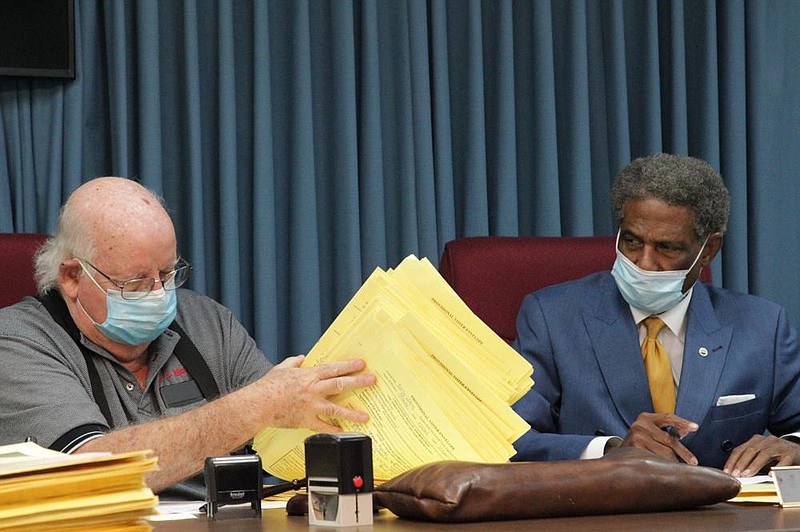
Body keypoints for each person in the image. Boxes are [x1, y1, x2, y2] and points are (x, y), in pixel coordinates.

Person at [0, 177, 375, 498]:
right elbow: (89, 473)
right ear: (72, 278)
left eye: (167, 273)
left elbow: (284, 424)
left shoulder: (206, 321)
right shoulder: (18, 341)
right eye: (135, 283)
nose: (159, 295)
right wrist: (252, 407)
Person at [511, 153, 800, 477]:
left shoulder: (761, 326)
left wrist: (793, 446)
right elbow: (511, 440)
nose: (644, 263)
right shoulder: (552, 318)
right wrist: (612, 451)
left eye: (666, 247)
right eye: (632, 241)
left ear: (709, 249)